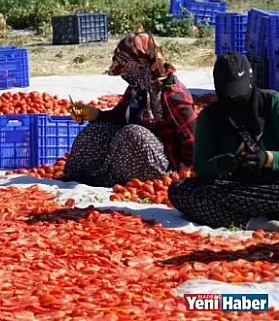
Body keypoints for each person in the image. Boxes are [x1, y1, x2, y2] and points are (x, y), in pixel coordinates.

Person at [63, 31, 197, 187]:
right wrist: (94, 114)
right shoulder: (137, 88)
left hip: (163, 163)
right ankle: (83, 175)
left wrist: (185, 168)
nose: (124, 74)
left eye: (127, 68)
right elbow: (119, 117)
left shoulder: (172, 94)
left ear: (142, 64)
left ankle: (108, 178)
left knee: (132, 134)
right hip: (133, 156)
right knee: (96, 131)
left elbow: (192, 136)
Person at [169, 53, 279, 231]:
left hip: (274, 184)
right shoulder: (210, 117)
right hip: (237, 188)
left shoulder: (272, 104)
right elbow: (200, 166)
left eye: (238, 91)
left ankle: (255, 214)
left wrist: (267, 159)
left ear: (251, 83)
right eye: (228, 93)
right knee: (181, 191)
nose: (233, 98)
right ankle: (254, 222)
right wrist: (220, 164)